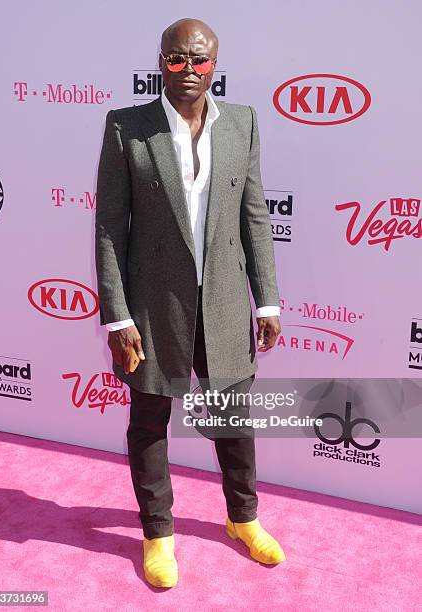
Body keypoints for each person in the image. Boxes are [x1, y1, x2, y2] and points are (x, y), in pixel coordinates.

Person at [95, 17, 286, 588]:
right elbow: (109, 227)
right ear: (160, 61)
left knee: (235, 421)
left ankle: (242, 519)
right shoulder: (127, 127)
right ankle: (158, 535)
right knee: (150, 421)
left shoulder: (243, 123)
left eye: (198, 60)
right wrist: (118, 314)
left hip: (225, 299)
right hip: (151, 307)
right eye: (175, 59)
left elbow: (254, 216)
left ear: (214, 65)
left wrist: (268, 300)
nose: (187, 70)